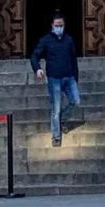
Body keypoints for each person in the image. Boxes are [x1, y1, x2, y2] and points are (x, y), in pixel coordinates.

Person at [30, 10, 81, 146]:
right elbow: (35, 55)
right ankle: (56, 136)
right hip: (54, 79)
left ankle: (62, 119)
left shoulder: (68, 40)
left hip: (69, 77)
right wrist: (38, 69)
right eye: (57, 25)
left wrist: (75, 77)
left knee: (75, 101)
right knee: (56, 108)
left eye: (61, 25)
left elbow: (73, 59)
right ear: (52, 25)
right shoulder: (46, 41)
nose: (59, 28)